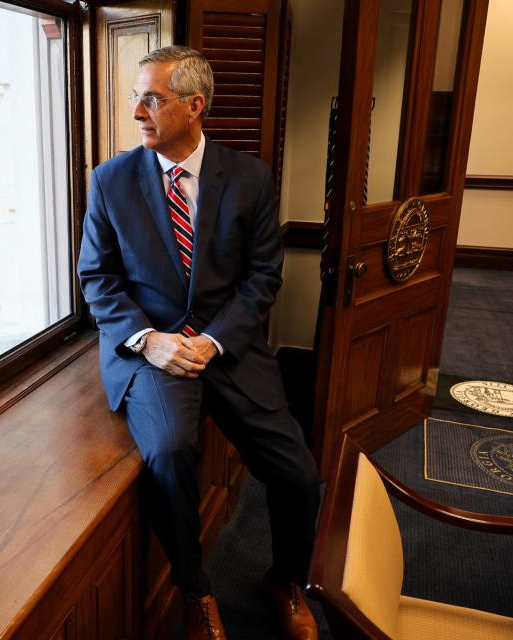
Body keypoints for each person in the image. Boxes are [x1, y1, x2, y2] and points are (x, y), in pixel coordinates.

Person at [77, 46, 321, 640]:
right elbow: (97, 278)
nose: (136, 110)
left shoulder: (251, 177)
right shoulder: (111, 181)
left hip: (227, 348)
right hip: (152, 351)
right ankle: (196, 591)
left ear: (194, 106)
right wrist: (148, 341)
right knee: (167, 453)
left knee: (299, 475)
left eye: (152, 98)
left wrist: (212, 341)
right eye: (136, 96)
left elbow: (263, 277)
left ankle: (286, 581)